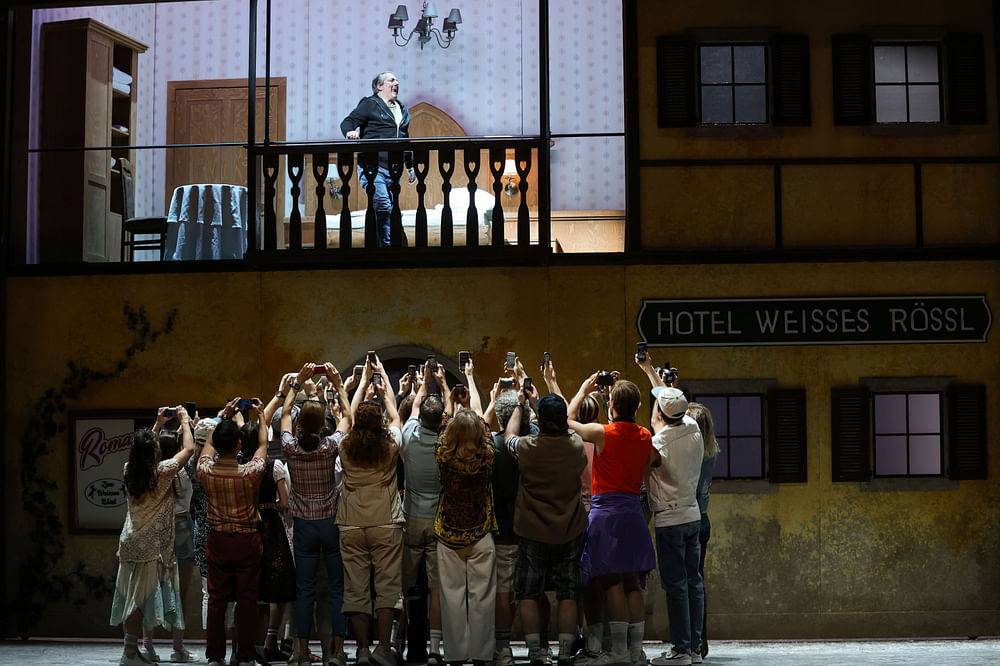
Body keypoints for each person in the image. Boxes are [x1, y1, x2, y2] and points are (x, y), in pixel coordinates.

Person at [568, 376, 659, 666]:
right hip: (633, 512)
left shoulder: (602, 433)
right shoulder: (645, 435)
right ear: (638, 405)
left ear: (612, 406)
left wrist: (584, 390)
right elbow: (656, 460)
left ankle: (618, 651)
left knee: (610, 581)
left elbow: (569, 420)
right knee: (633, 581)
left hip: (607, 513)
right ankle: (635, 651)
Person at [271, 364, 352, 666]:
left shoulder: (291, 448)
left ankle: (299, 651)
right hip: (330, 522)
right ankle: (338, 650)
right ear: (322, 427)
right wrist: (338, 384)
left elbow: (283, 417)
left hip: (303, 524)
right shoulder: (330, 446)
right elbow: (347, 418)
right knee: (336, 587)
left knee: (303, 589)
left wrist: (296, 386)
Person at [505, 390, 588, 666]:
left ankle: (535, 651)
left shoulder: (528, 448)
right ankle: (565, 651)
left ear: (540, 419)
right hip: (569, 529)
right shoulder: (576, 446)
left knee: (528, 592)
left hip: (532, 530)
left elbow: (508, 439)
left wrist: (521, 406)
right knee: (568, 593)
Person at [110, 406, 195, 666]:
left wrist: (157, 425)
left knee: (131, 596)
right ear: (154, 451)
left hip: (129, 541)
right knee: (138, 600)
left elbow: (141, 450)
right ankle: (129, 655)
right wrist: (184, 420)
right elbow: (189, 450)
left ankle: (132, 650)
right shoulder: (163, 472)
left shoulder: (128, 469)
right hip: (149, 544)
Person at [637, 355, 705, 666]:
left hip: (670, 521)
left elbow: (656, 423)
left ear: (661, 415)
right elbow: (668, 408)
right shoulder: (692, 427)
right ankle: (693, 647)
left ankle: (681, 650)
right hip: (692, 515)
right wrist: (650, 372)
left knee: (676, 586)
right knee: (694, 583)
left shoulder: (658, 445)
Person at [339, 356, 405, 666]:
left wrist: (363, 382)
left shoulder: (345, 445)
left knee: (356, 589)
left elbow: (347, 417)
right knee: (387, 587)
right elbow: (395, 415)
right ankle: (383, 649)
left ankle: (362, 650)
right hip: (385, 522)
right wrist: (385, 384)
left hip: (351, 523)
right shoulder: (391, 445)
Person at [197, 401, 268, 666]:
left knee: (217, 600)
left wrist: (220, 420)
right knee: (247, 601)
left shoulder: (205, 472)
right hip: (247, 539)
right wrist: (261, 417)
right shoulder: (249, 473)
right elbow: (262, 447)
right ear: (239, 444)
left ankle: (215, 657)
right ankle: (246, 655)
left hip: (218, 539)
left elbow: (207, 450)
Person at [435, 408, 498, 666]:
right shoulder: (487, 456)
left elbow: (442, 435)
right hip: (480, 533)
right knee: (482, 598)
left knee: (452, 597)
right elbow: (488, 434)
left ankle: (456, 654)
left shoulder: (443, 455)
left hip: (449, 534)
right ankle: (482, 654)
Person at [400, 363, 448, 665]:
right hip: (438, 521)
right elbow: (450, 417)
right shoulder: (447, 443)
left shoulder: (409, 436)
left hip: (411, 519)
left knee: (405, 587)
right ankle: (433, 648)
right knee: (436, 588)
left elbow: (414, 406)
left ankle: (399, 642)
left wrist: (423, 382)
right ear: (441, 418)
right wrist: (442, 384)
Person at [341, 71, 417, 247]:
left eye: (397, 80)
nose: (396, 83)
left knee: (390, 207)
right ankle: (386, 247)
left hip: (394, 168)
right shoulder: (370, 104)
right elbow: (348, 121)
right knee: (382, 203)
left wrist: (410, 166)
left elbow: (405, 139)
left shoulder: (402, 109)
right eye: (391, 80)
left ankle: (384, 244)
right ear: (379, 86)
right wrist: (350, 132)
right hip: (372, 166)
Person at [685, 402, 719, 661]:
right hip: (703, 518)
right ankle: (700, 640)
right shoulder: (711, 451)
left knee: (687, 584)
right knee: (697, 582)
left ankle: (691, 641)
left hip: (690, 518)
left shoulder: (692, 454)